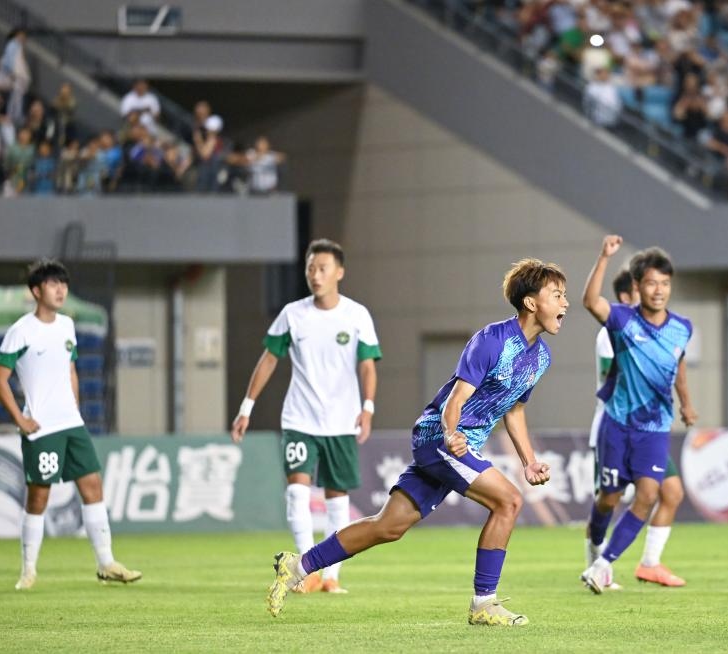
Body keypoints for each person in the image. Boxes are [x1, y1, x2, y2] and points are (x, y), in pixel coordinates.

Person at [264, 259, 568, 626]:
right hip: (439, 437)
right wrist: (452, 434)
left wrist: (528, 461)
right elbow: (455, 399)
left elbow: (514, 410)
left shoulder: (540, 358)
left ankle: (298, 566)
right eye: (557, 295)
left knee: (388, 526)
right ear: (531, 302)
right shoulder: (493, 340)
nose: (565, 303)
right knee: (510, 501)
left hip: (458, 445)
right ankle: (484, 603)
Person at [232, 239, 380, 595]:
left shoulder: (357, 315)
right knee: (297, 491)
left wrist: (368, 407)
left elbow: (367, 365)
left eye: (322, 268)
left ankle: (331, 576)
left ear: (339, 272)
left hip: (341, 421)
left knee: (336, 498)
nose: (315, 275)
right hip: (299, 419)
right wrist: (246, 408)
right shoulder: (293, 314)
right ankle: (306, 570)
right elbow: (269, 358)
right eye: (310, 268)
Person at [0, 259, 141, 590]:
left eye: (64, 284)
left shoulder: (67, 326)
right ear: (36, 291)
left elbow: (71, 369)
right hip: (41, 428)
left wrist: (75, 407)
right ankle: (28, 570)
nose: (61, 290)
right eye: (53, 284)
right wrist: (20, 419)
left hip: (71, 423)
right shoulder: (21, 331)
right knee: (39, 497)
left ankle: (106, 563)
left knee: (93, 486)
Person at [580, 236, 694, 594]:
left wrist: (686, 403)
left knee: (649, 494)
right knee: (609, 499)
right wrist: (603, 257)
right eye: (651, 283)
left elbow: (678, 362)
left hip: (655, 428)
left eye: (664, 283)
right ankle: (593, 552)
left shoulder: (683, 327)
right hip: (617, 424)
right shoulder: (621, 320)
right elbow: (590, 302)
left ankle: (603, 565)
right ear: (638, 286)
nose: (658, 290)